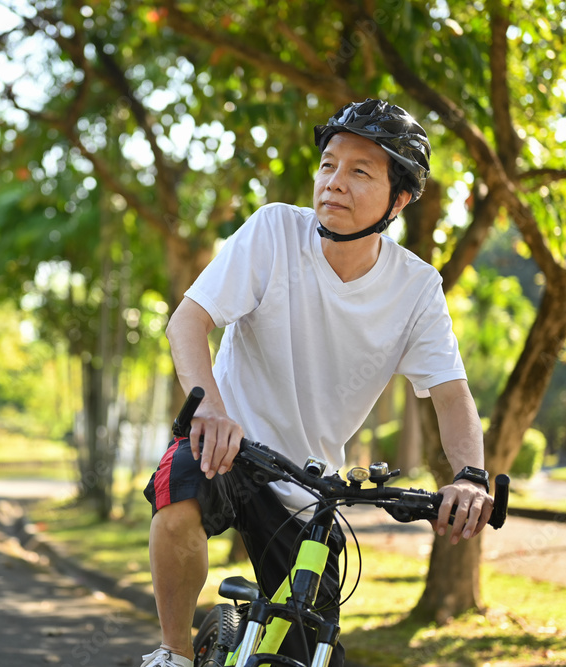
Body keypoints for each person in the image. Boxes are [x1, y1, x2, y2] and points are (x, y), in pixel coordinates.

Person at [138, 98, 494, 667]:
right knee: (180, 492)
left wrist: (471, 477)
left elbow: (452, 395)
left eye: (359, 171)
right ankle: (175, 654)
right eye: (328, 165)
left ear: (398, 199)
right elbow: (189, 320)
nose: (334, 183)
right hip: (231, 446)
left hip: (309, 486)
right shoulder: (275, 230)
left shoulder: (417, 288)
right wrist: (211, 412)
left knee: (308, 646)